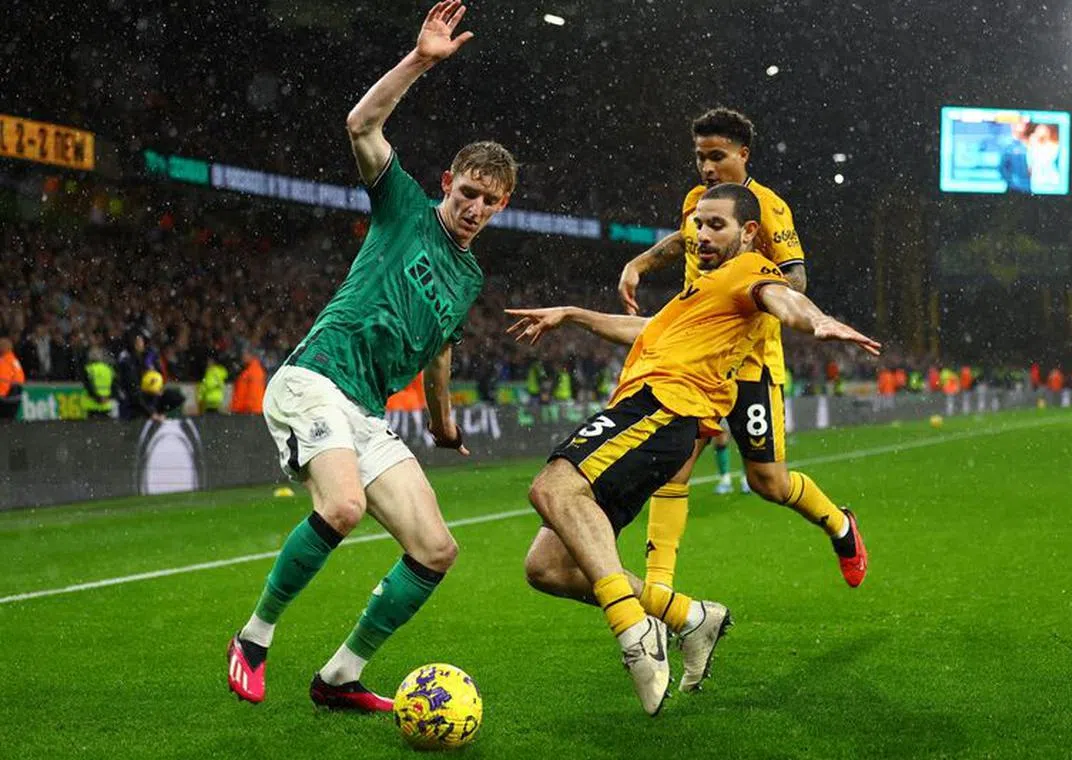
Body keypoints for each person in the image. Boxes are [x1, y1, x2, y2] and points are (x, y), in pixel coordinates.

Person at [225, 1, 516, 713]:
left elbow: (439, 354)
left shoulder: (470, 277)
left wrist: (445, 426)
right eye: (468, 193)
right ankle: (254, 637)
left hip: (365, 412)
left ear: (504, 206)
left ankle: (339, 678)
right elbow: (360, 124)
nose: (474, 208)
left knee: (436, 549)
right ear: (448, 184)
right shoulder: (405, 209)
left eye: (490, 201)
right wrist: (421, 61)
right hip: (314, 380)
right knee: (345, 504)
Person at [508, 184, 880, 714]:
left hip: (662, 409)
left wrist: (812, 318)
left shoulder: (749, 270)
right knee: (546, 567)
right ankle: (688, 616)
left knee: (552, 486)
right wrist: (572, 313)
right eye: (698, 225)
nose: (701, 235)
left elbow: (781, 297)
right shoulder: (699, 292)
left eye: (716, 225)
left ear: (748, 232)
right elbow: (646, 330)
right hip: (650, 411)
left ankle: (636, 632)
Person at [616, 108, 868, 593]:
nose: (706, 167)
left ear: (743, 154)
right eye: (699, 157)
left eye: (717, 156)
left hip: (750, 363)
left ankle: (840, 526)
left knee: (768, 483)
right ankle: (659, 598)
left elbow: (796, 277)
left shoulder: (769, 208)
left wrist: (754, 287)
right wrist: (640, 263)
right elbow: (684, 239)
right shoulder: (697, 200)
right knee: (672, 470)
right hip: (692, 365)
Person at [82, 347, 117, 419]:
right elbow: (114, 385)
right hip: (106, 404)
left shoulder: (89, 369)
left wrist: (98, 398)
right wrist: (108, 397)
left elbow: (88, 386)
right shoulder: (108, 369)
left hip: (92, 405)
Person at [230, 350, 267, 415]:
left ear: (250, 356)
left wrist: (240, 408)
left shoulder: (251, 371)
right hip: (251, 409)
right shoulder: (253, 370)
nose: (243, 358)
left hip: (250, 409)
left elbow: (252, 392)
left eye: (245, 355)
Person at [0, 337, 26, 421]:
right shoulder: (14, 360)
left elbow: (3, 381)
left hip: (6, 398)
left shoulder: (4, 361)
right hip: (15, 398)